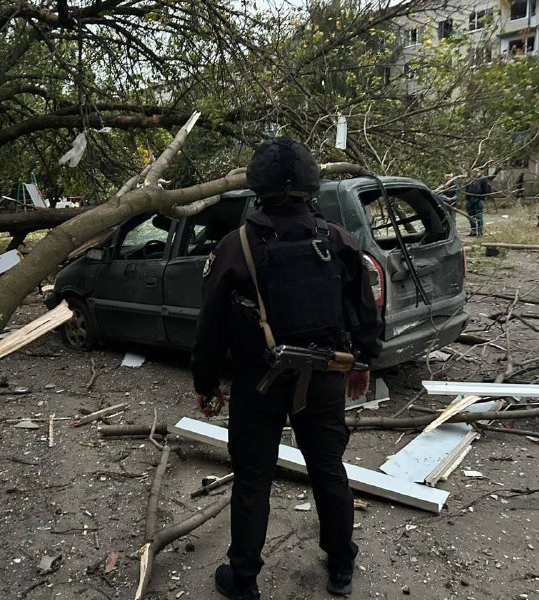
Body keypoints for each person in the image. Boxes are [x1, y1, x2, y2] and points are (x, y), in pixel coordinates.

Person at [191, 138, 383, 599]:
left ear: (257, 187)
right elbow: (365, 312)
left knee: (254, 480)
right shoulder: (336, 239)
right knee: (328, 470)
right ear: (312, 187)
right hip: (324, 378)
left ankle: (243, 580)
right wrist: (364, 364)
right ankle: (340, 566)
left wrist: (206, 383)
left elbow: (210, 325)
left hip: (258, 384)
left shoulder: (235, 247)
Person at [464, 168, 490, 236]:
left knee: (479, 215)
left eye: (477, 172)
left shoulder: (483, 179)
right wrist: (467, 198)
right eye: (474, 172)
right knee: (470, 216)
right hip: (470, 199)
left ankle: (479, 231)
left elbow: (485, 190)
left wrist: (481, 198)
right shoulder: (469, 180)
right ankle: (473, 231)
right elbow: (466, 189)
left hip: (479, 199)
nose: (475, 173)